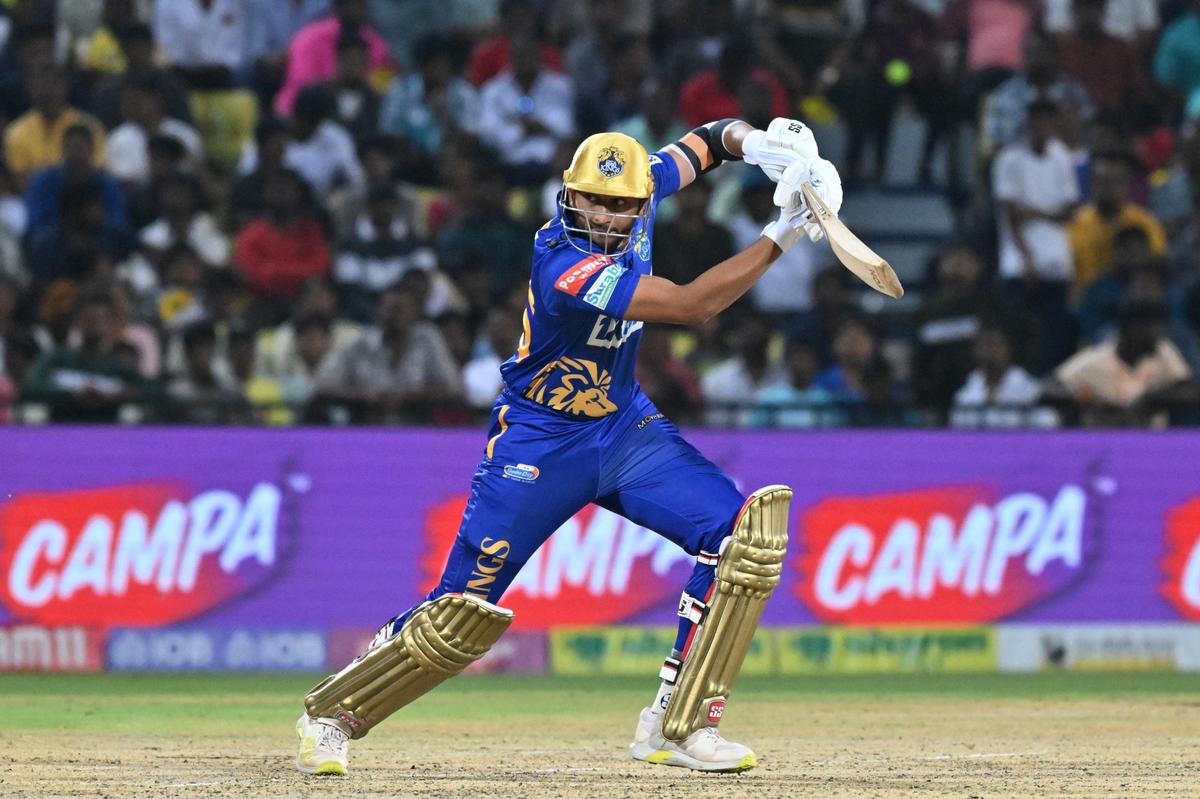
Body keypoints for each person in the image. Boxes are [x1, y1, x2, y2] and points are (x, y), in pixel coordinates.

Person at [294, 117, 843, 775]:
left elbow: (704, 142)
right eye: (594, 201)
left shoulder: (644, 190)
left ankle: (679, 723)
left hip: (622, 428)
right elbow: (692, 305)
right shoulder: (565, 265)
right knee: (456, 611)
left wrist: (758, 146)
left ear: (643, 200)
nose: (608, 216)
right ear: (570, 195)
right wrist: (783, 232)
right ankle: (333, 713)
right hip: (538, 442)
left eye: (622, 205)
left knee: (738, 538)